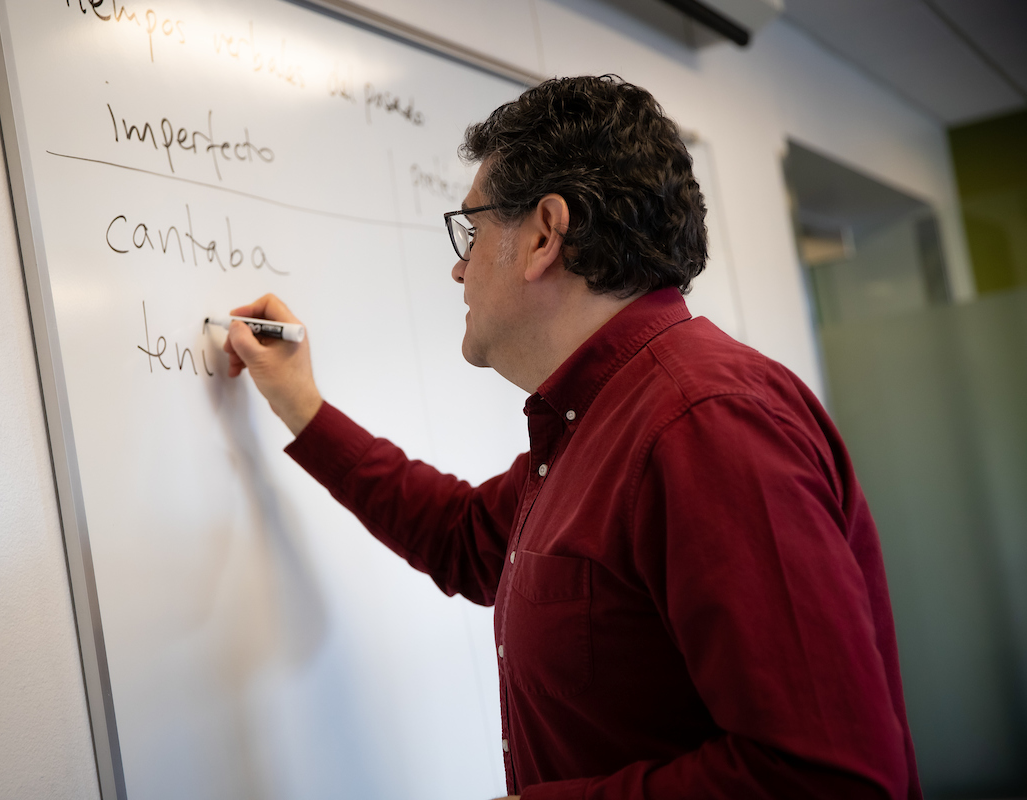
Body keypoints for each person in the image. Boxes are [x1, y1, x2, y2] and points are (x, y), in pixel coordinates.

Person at [223, 75, 922, 800]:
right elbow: (466, 539)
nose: (458, 267)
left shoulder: (705, 423)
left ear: (545, 234)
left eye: (473, 229)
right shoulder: (601, 420)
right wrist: (300, 403)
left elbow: (830, 778)